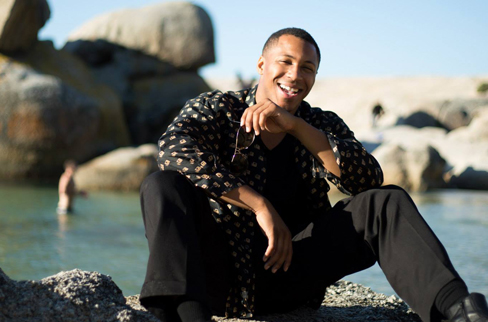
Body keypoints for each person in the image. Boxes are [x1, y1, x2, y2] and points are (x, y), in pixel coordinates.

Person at [139, 28, 488, 322]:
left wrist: (295, 126)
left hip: (290, 277)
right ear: (262, 65)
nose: (295, 75)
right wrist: (261, 206)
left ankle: (457, 309)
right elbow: (173, 152)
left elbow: (367, 181)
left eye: (307, 68)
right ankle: (179, 314)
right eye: (286, 62)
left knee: (386, 201)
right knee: (161, 184)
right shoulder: (218, 108)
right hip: (218, 276)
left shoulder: (320, 124)